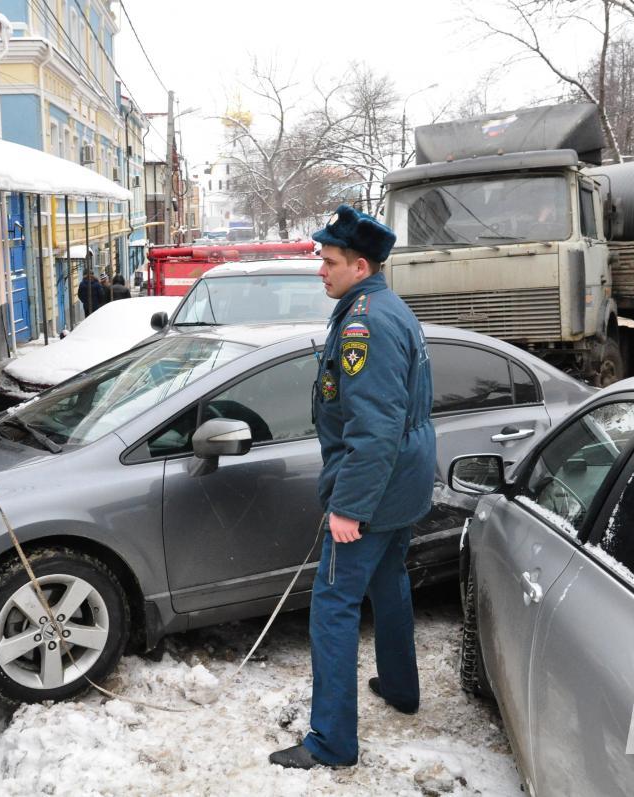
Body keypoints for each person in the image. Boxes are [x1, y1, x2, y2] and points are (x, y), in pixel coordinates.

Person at [270, 205, 435, 770]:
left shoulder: (366, 323)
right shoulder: (386, 306)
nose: (321, 270)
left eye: (330, 261)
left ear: (360, 266)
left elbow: (376, 427)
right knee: (389, 582)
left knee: (333, 607)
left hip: (375, 488)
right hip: (403, 481)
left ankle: (332, 742)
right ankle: (401, 688)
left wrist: (348, 506)